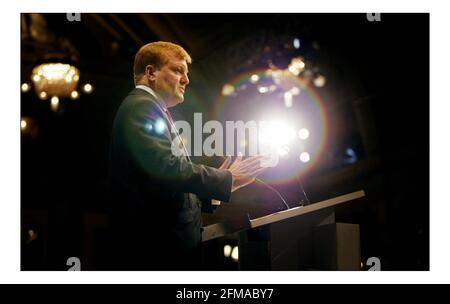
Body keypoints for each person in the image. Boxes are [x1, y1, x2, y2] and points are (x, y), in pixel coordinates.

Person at [109, 41, 266, 270]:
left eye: (186, 72)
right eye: (177, 70)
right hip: (155, 255)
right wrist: (224, 179)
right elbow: (166, 168)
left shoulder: (151, 108)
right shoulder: (141, 106)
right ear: (151, 72)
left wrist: (218, 190)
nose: (186, 80)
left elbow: (164, 185)